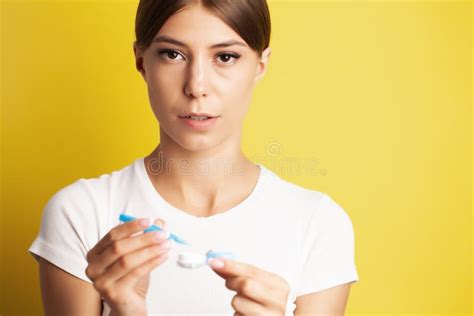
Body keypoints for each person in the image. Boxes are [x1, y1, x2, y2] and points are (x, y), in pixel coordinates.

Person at [28, 0, 359, 315]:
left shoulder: (318, 224)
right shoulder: (81, 213)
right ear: (142, 62)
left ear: (260, 66)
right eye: (172, 54)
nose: (197, 86)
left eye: (225, 57)